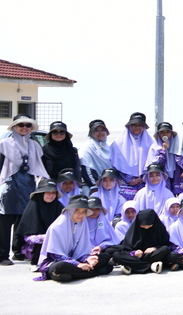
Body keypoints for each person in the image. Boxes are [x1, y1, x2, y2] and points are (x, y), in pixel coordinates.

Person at [0, 116, 49, 265]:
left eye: (28, 125)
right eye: (21, 125)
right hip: (9, 184)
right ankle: (2, 255)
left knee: (23, 219)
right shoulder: (4, 144)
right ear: (14, 126)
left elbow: (39, 166)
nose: (25, 127)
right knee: (5, 220)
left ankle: (18, 251)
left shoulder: (33, 145)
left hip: (28, 185)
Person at [35, 198, 114, 282]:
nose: (81, 215)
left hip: (75, 260)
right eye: (77, 211)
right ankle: (95, 272)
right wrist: (78, 264)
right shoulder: (56, 228)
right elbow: (56, 256)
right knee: (60, 267)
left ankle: (72, 275)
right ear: (70, 211)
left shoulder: (82, 224)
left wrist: (88, 258)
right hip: (57, 262)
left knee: (104, 257)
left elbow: (81, 251)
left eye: (84, 212)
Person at [15, 179, 62, 266]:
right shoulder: (33, 208)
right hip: (34, 247)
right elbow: (27, 238)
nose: (51, 195)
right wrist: (42, 237)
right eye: (48, 192)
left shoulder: (58, 207)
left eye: (53, 193)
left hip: (55, 242)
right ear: (41, 194)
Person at [111, 208, 170, 274]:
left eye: (150, 226)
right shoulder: (134, 230)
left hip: (152, 254)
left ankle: (133, 266)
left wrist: (155, 248)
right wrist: (134, 252)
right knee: (117, 255)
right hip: (136, 256)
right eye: (143, 227)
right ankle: (150, 266)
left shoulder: (159, 229)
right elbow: (126, 248)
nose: (146, 229)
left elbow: (166, 244)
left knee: (165, 249)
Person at [109, 112, 154, 197]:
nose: (137, 128)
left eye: (140, 125)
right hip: (124, 185)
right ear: (129, 126)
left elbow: (153, 162)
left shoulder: (151, 143)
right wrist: (129, 179)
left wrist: (142, 178)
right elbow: (116, 164)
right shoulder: (118, 144)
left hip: (144, 183)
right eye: (134, 125)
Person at [78, 119, 113, 187]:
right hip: (94, 186)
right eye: (96, 130)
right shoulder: (87, 148)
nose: (100, 132)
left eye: (103, 130)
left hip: (110, 184)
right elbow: (87, 170)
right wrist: (96, 187)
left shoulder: (109, 148)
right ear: (91, 133)